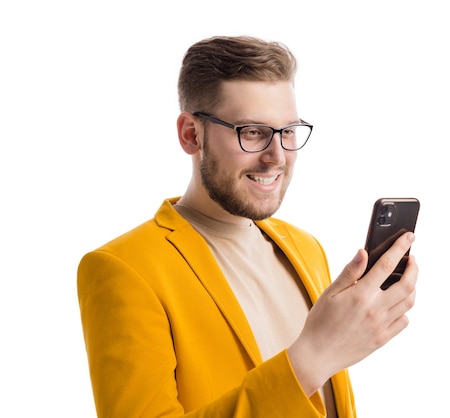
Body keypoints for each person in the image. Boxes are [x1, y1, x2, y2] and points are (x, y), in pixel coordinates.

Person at [77, 35, 418, 418]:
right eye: (253, 132)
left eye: (287, 131)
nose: (277, 157)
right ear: (191, 134)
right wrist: (310, 360)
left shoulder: (306, 248)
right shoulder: (124, 268)